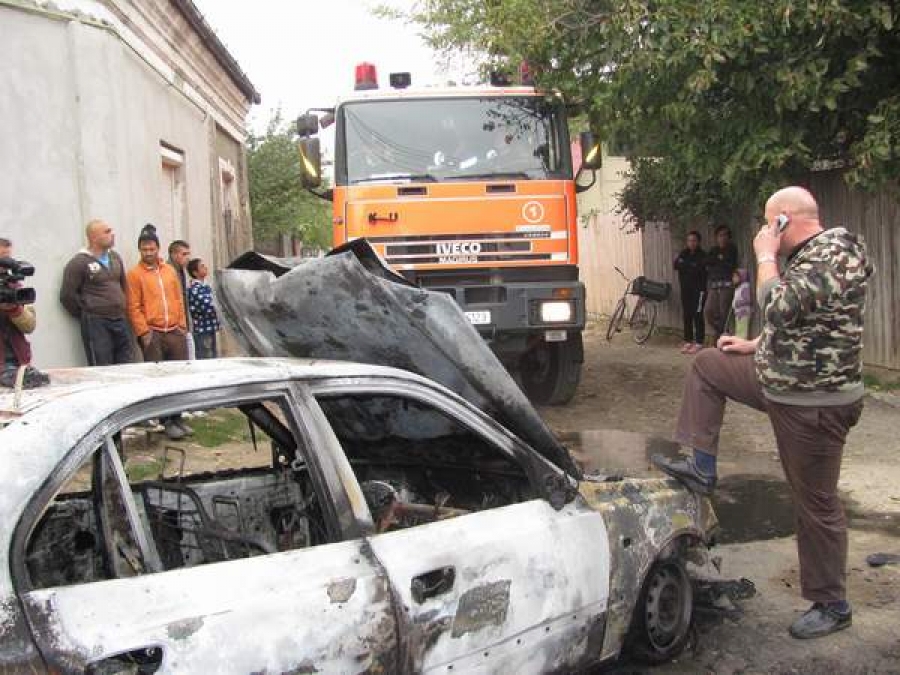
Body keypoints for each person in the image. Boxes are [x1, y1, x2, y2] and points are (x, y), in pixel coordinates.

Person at [653, 186, 873, 640]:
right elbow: (801, 322)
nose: (761, 232)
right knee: (709, 366)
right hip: (780, 379)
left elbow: (777, 304)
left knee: (816, 502)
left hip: (813, 401)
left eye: (767, 224)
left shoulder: (831, 256)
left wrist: (766, 256)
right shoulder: (817, 256)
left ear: (782, 223)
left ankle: (832, 603)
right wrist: (754, 344)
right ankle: (701, 465)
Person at [127, 225, 191, 439]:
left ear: (158, 249)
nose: (148, 253)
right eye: (144, 250)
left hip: (174, 330)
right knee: (160, 378)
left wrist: (182, 324)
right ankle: (166, 421)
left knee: (179, 375)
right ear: (140, 251)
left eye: (152, 249)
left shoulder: (169, 271)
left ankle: (178, 417)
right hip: (153, 333)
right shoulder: (135, 275)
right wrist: (143, 332)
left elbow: (178, 298)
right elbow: (133, 306)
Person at [60, 219, 134, 366]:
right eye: (106, 232)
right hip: (96, 323)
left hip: (120, 319)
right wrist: (88, 310)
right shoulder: (79, 262)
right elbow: (67, 296)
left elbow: (123, 285)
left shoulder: (115, 257)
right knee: (102, 365)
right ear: (94, 237)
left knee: (127, 364)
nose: (112, 234)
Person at [0, 237, 46, 388]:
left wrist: (15, 310)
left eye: (7, 260)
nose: (4, 266)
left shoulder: (14, 286)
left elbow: (30, 325)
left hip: (18, 362)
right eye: (2, 260)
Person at [673, 230, 707, 354]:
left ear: (698, 242)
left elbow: (698, 270)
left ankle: (699, 342)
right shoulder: (684, 253)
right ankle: (688, 341)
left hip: (699, 291)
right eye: (689, 241)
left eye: (693, 241)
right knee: (687, 314)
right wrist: (689, 265)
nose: (691, 243)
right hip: (685, 290)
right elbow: (676, 264)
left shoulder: (703, 255)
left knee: (697, 315)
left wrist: (686, 265)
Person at [703, 225, 739, 342]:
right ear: (716, 238)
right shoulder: (713, 250)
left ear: (728, 238)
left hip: (727, 285)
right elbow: (707, 263)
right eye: (720, 235)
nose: (722, 238)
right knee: (709, 311)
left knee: (724, 313)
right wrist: (718, 260)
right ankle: (721, 332)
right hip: (714, 285)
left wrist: (718, 261)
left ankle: (719, 339)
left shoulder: (731, 249)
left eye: (725, 235)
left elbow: (729, 265)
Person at [187, 258, 220, 359]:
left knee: (213, 355)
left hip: (210, 328)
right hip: (202, 330)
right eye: (201, 266)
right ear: (195, 272)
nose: (205, 267)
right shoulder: (195, 289)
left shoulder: (206, 286)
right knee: (206, 357)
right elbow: (209, 305)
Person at [731, 268, 753, 339]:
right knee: (739, 330)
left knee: (743, 331)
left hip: (743, 313)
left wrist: (737, 303)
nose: (733, 279)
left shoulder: (745, 286)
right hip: (738, 313)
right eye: (733, 277)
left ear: (741, 277)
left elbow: (747, 299)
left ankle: (743, 344)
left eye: (736, 277)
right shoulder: (737, 288)